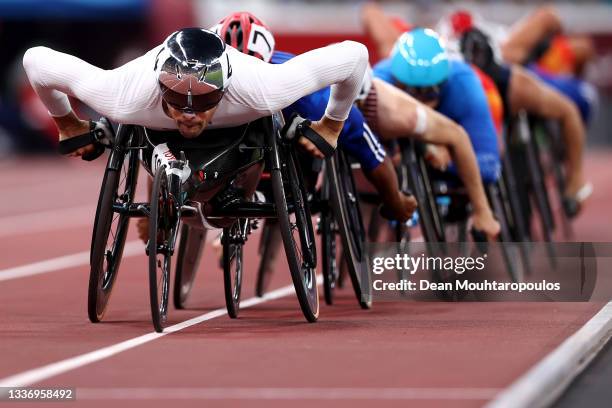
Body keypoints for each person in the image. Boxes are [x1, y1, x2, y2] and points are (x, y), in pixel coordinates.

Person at [22, 27, 369, 162]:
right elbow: (35, 60)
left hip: (241, 108)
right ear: (160, 88)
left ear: (224, 90)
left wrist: (333, 125)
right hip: (147, 102)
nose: (189, 114)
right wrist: (66, 122)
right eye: (177, 101)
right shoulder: (123, 96)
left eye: (203, 101)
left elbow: (354, 56)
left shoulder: (261, 89)